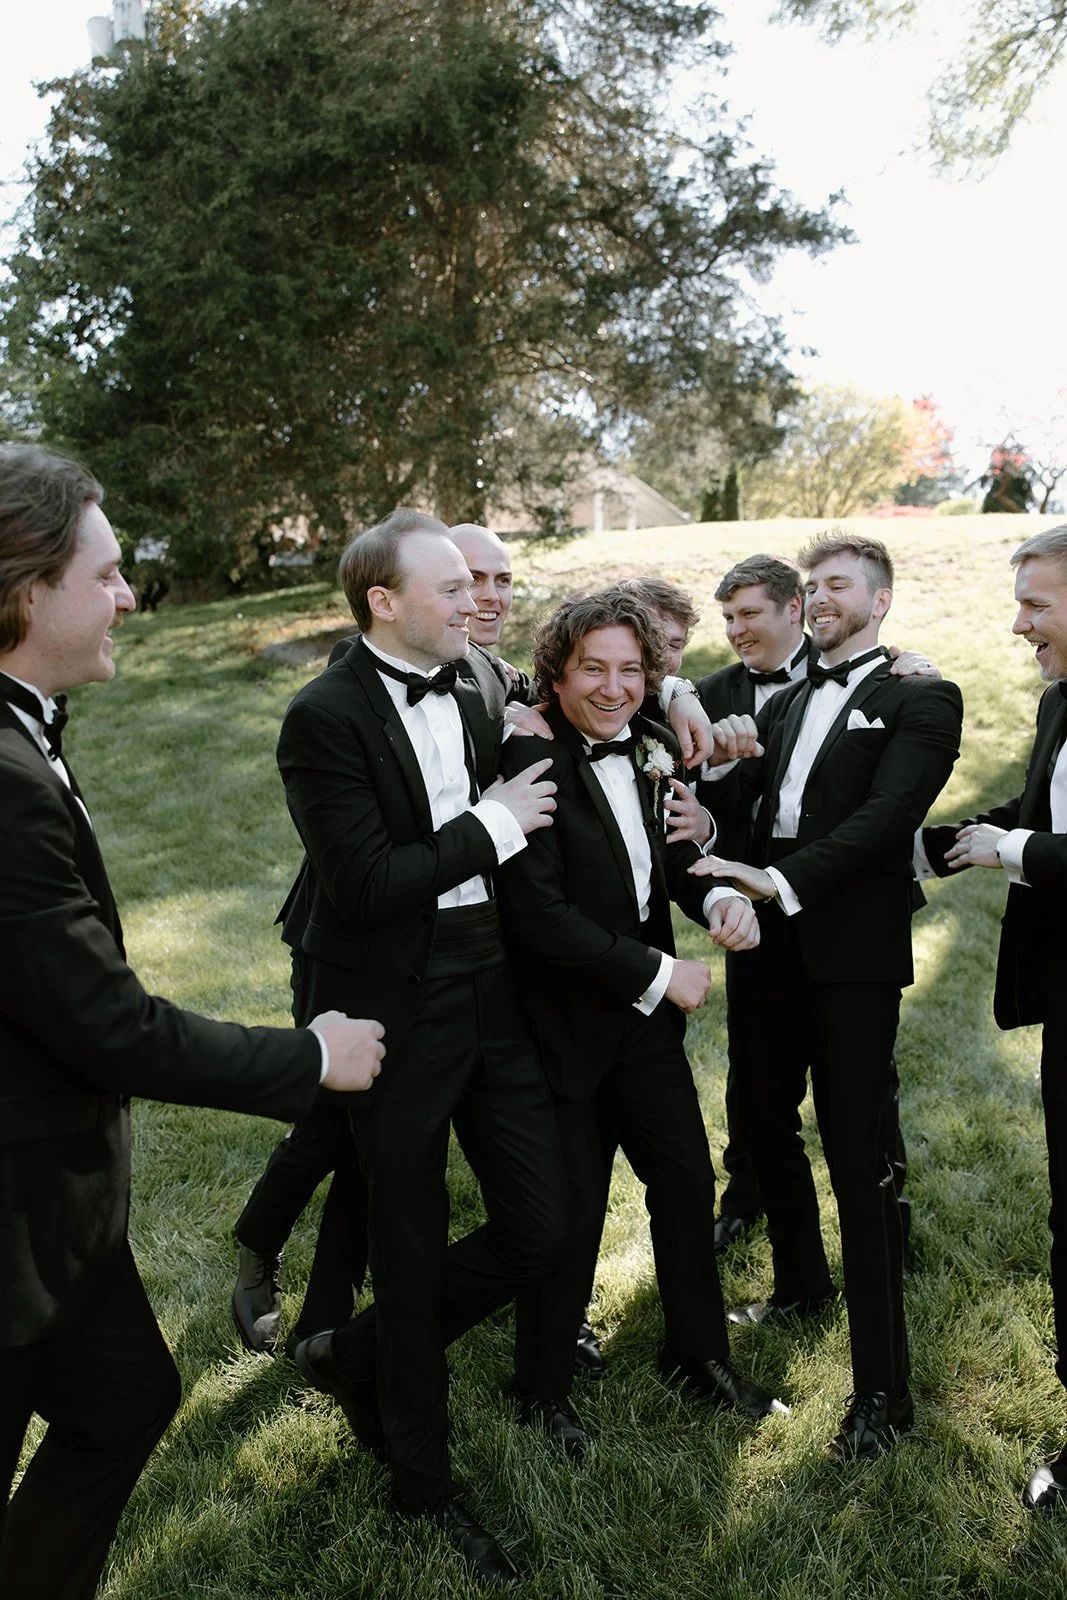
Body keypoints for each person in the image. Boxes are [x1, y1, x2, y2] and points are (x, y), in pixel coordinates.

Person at [0, 443, 386, 1600]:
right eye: (108, 574)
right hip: (12, 1204)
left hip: (54, 1201)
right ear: (24, 583)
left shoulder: (24, 735)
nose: (128, 596)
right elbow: (106, 1023)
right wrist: (312, 1054)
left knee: (124, 1396)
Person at [279, 509, 570, 1590]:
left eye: (476, 586)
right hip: (389, 1002)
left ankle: (355, 1357)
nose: (476, 601)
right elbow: (364, 882)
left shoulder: (482, 681)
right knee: (403, 1246)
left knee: (541, 1221)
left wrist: (677, 694)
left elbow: (561, 714)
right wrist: (494, 823)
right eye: (451, 588)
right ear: (382, 602)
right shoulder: (322, 717)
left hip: (491, 980)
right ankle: (422, 1481)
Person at [496, 587, 788, 1455]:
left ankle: (696, 1357)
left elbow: (675, 864)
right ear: (555, 672)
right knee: (572, 1207)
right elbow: (536, 916)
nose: (614, 687)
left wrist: (720, 901)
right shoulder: (525, 757)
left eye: (631, 669)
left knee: (686, 1185)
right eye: (593, 668)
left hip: (645, 1028)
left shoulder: (657, 750)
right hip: (559, 1027)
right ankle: (542, 1386)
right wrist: (660, 972)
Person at [695, 532, 962, 1461]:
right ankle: (804, 1286)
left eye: (837, 586)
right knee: (762, 1124)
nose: (817, 599)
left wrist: (779, 883)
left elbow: (888, 820)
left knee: (858, 1157)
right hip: (765, 945)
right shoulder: (790, 692)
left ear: (879, 601)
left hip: (848, 950)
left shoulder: (921, 696)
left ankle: (883, 1395)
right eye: (810, 587)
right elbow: (759, 805)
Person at [917, 526, 1067, 1510]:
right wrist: (918, 854)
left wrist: (1009, 845)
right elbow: (1031, 810)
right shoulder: (1060, 700)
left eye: (1035, 605)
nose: (1017, 627)